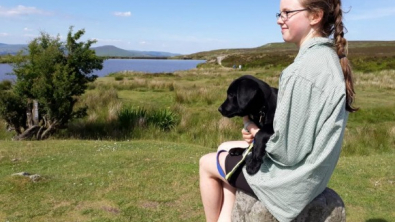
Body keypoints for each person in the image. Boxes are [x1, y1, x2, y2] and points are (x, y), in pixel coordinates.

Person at [199, 0, 358, 221]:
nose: (279, 19)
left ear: (315, 16)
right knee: (224, 148)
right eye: (280, 13)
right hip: (314, 175)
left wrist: (252, 128)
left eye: (287, 13)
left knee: (206, 164)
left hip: (290, 183)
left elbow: (286, 153)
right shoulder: (329, 59)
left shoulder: (300, 72)